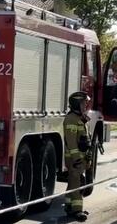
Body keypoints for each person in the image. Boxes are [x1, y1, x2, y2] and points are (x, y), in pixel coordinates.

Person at [63, 91, 92, 222]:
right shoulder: (71, 119)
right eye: (83, 103)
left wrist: (88, 157)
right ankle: (77, 211)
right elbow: (71, 141)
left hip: (80, 158)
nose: (85, 105)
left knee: (73, 182)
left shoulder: (80, 118)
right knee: (77, 184)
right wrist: (77, 159)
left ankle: (69, 206)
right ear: (76, 104)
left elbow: (85, 140)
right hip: (75, 159)